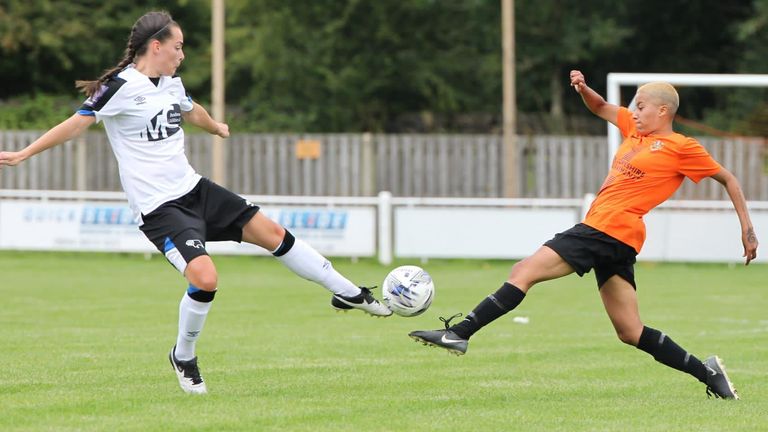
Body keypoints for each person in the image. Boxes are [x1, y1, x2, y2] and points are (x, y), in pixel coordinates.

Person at [0, 11, 392, 395]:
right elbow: (75, 124)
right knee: (205, 278)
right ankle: (183, 356)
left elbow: (191, 110)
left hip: (195, 189)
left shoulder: (171, 82)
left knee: (273, 233)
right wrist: (22, 154)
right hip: (160, 209)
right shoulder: (118, 87)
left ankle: (348, 292)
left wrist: (215, 126)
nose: (182, 54)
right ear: (156, 46)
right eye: (178, 46)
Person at [409, 70, 758, 400]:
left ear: (662, 110)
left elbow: (729, 178)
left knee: (522, 272)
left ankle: (458, 334)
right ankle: (707, 373)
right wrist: (583, 88)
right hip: (617, 238)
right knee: (630, 331)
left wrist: (747, 229)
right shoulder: (634, 132)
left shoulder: (681, 146)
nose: (633, 112)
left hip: (605, 230)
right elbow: (600, 107)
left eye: (640, 106)